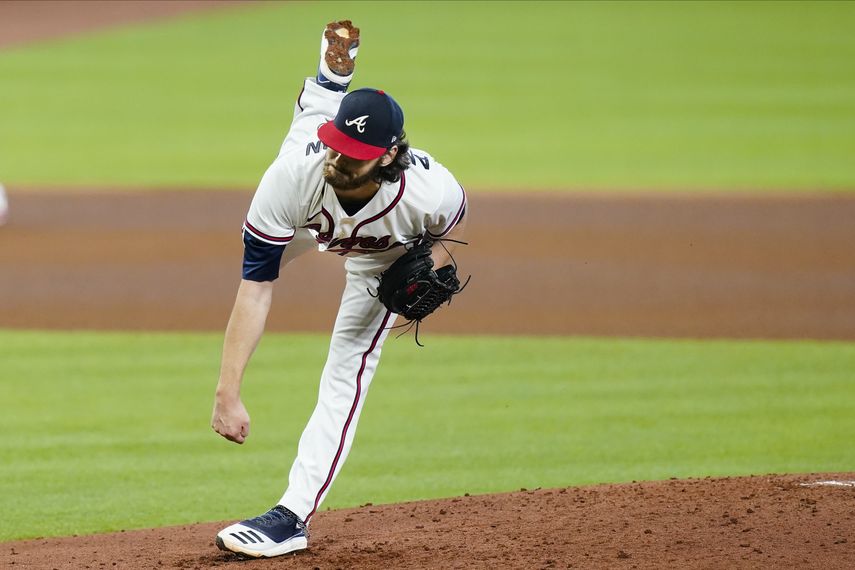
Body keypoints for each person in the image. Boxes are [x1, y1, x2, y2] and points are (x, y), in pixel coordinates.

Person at [211, 20, 467, 559]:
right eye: (340, 144)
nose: (341, 158)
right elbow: (256, 287)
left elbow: (449, 234)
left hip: (380, 259)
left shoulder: (430, 190)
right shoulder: (298, 173)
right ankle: (331, 79)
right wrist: (226, 392)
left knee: (346, 367)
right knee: (308, 133)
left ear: (391, 155)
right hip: (307, 218)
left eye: (356, 152)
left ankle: (292, 515)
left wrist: (429, 270)